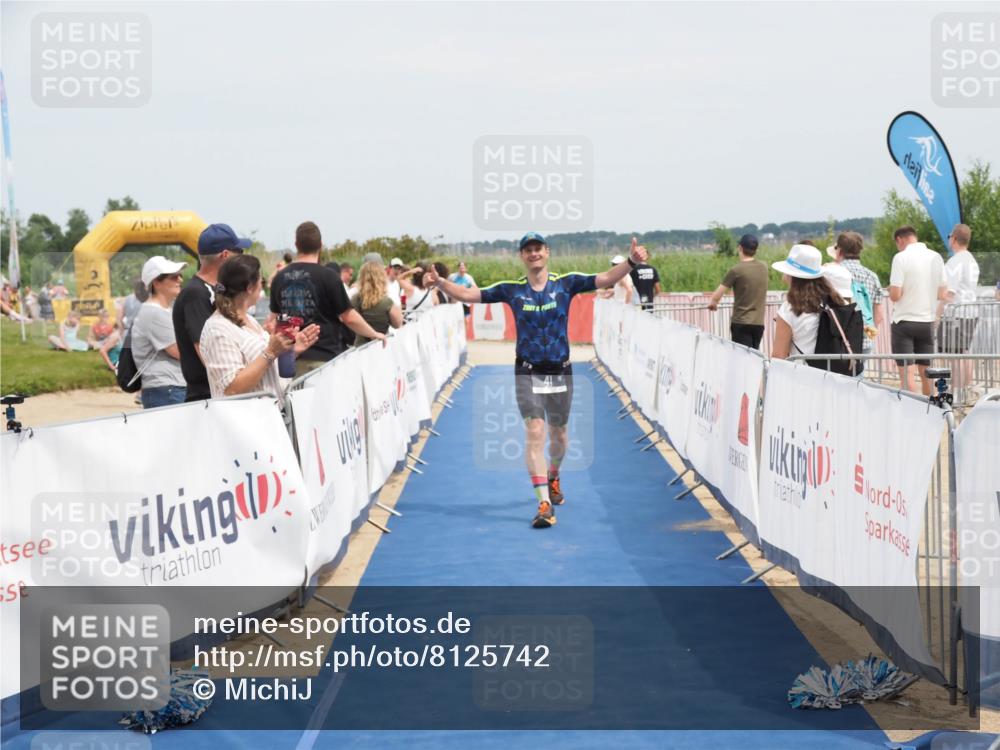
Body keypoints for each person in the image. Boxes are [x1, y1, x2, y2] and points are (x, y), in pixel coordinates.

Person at [426, 231, 649, 529]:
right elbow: (470, 296)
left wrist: (632, 262)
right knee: (535, 433)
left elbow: (606, 278)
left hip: (560, 371)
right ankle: (543, 503)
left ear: (547, 253)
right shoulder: (511, 290)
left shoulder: (566, 283)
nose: (533, 254)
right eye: (527, 250)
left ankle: (554, 475)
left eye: (538, 249)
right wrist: (440, 282)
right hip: (527, 371)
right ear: (521, 256)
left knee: (559, 437)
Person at [200, 255, 320, 407]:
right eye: (261, 281)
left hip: (270, 418)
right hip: (246, 424)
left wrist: (290, 350)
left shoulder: (250, 320)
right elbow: (232, 389)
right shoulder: (217, 329)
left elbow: (263, 366)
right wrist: (271, 352)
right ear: (250, 287)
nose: (262, 286)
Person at [269, 221, 386, 376]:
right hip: (325, 360)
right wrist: (373, 333)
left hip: (291, 359)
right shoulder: (329, 277)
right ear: (321, 245)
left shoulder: (280, 277)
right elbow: (349, 317)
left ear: (296, 244)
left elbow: (275, 320)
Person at [172, 223, 251, 402]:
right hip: (207, 396)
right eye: (239, 253)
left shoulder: (212, 290)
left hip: (217, 393)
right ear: (225, 255)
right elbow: (206, 351)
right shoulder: (196, 294)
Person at [888, 226, 947, 395]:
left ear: (900, 239)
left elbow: (895, 295)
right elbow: (942, 292)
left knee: (907, 375)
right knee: (927, 373)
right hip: (927, 321)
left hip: (904, 322)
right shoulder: (936, 257)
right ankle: (931, 410)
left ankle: (911, 414)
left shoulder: (901, 258)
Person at [770, 245, 847, 359]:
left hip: (804, 373)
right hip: (837, 373)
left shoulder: (790, 309)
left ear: (791, 275)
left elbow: (779, 355)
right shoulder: (838, 301)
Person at [131, 256, 188, 408]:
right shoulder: (154, 313)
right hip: (167, 389)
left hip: (169, 387)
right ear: (156, 283)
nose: (180, 280)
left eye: (180, 275)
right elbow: (181, 352)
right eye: (174, 277)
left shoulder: (164, 310)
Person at [707, 234, 769, 349]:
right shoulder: (764, 267)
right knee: (755, 359)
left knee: (742, 361)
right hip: (758, 323)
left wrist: (713, 303)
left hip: (741, 322)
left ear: (740, 248)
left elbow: (718, 293)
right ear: (756, 250)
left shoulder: (736, 270)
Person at [938, 224, 980, 392]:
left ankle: (957, 390)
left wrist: (937, 313)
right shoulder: (971, 260)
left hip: (957, 314)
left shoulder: (955, 261)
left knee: (954, 355)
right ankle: (966, 387)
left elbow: (949, 293)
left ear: (954, 239)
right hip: (970, 312)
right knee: (963, 352)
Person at [831, 231, 883, 353]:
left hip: (837, 341)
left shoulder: (833, 273)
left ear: (839, 251)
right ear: (860, 251)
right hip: (864, 341)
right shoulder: (872, 276)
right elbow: (879, 316)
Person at [352, 261, 403, 345]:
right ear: (381, 277)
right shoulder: (386, 301)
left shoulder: (355, 299)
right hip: (382, 344)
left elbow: (347, 320)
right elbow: (397, 324)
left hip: (360, 346)